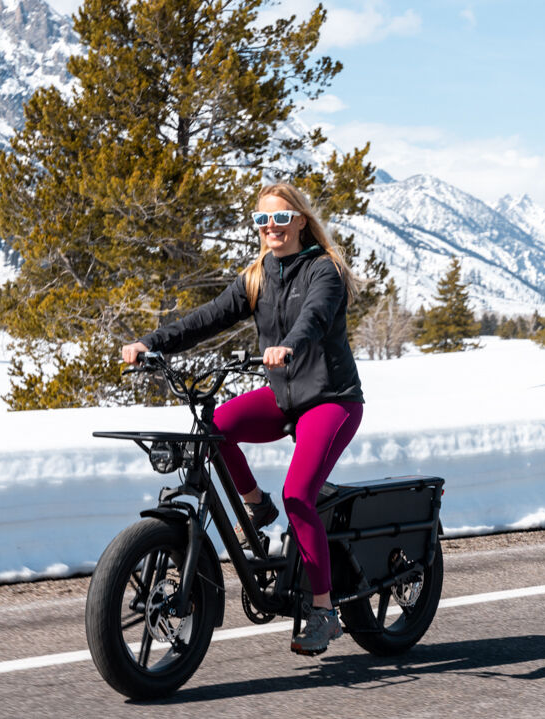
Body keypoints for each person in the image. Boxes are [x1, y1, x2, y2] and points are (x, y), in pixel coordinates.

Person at [121, 182, 364, 656]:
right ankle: (255, 504)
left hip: (331, 398)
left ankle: (324, 610)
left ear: (300, 221)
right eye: (262, 219)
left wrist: (289, 345)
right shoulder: (257, 276)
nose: (271, 227)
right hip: (285, 396)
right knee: (214, 428)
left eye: (281, 218)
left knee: (299, 495)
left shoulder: (324, 270)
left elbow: (314, 318)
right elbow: (206, 318)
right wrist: (152, 343)